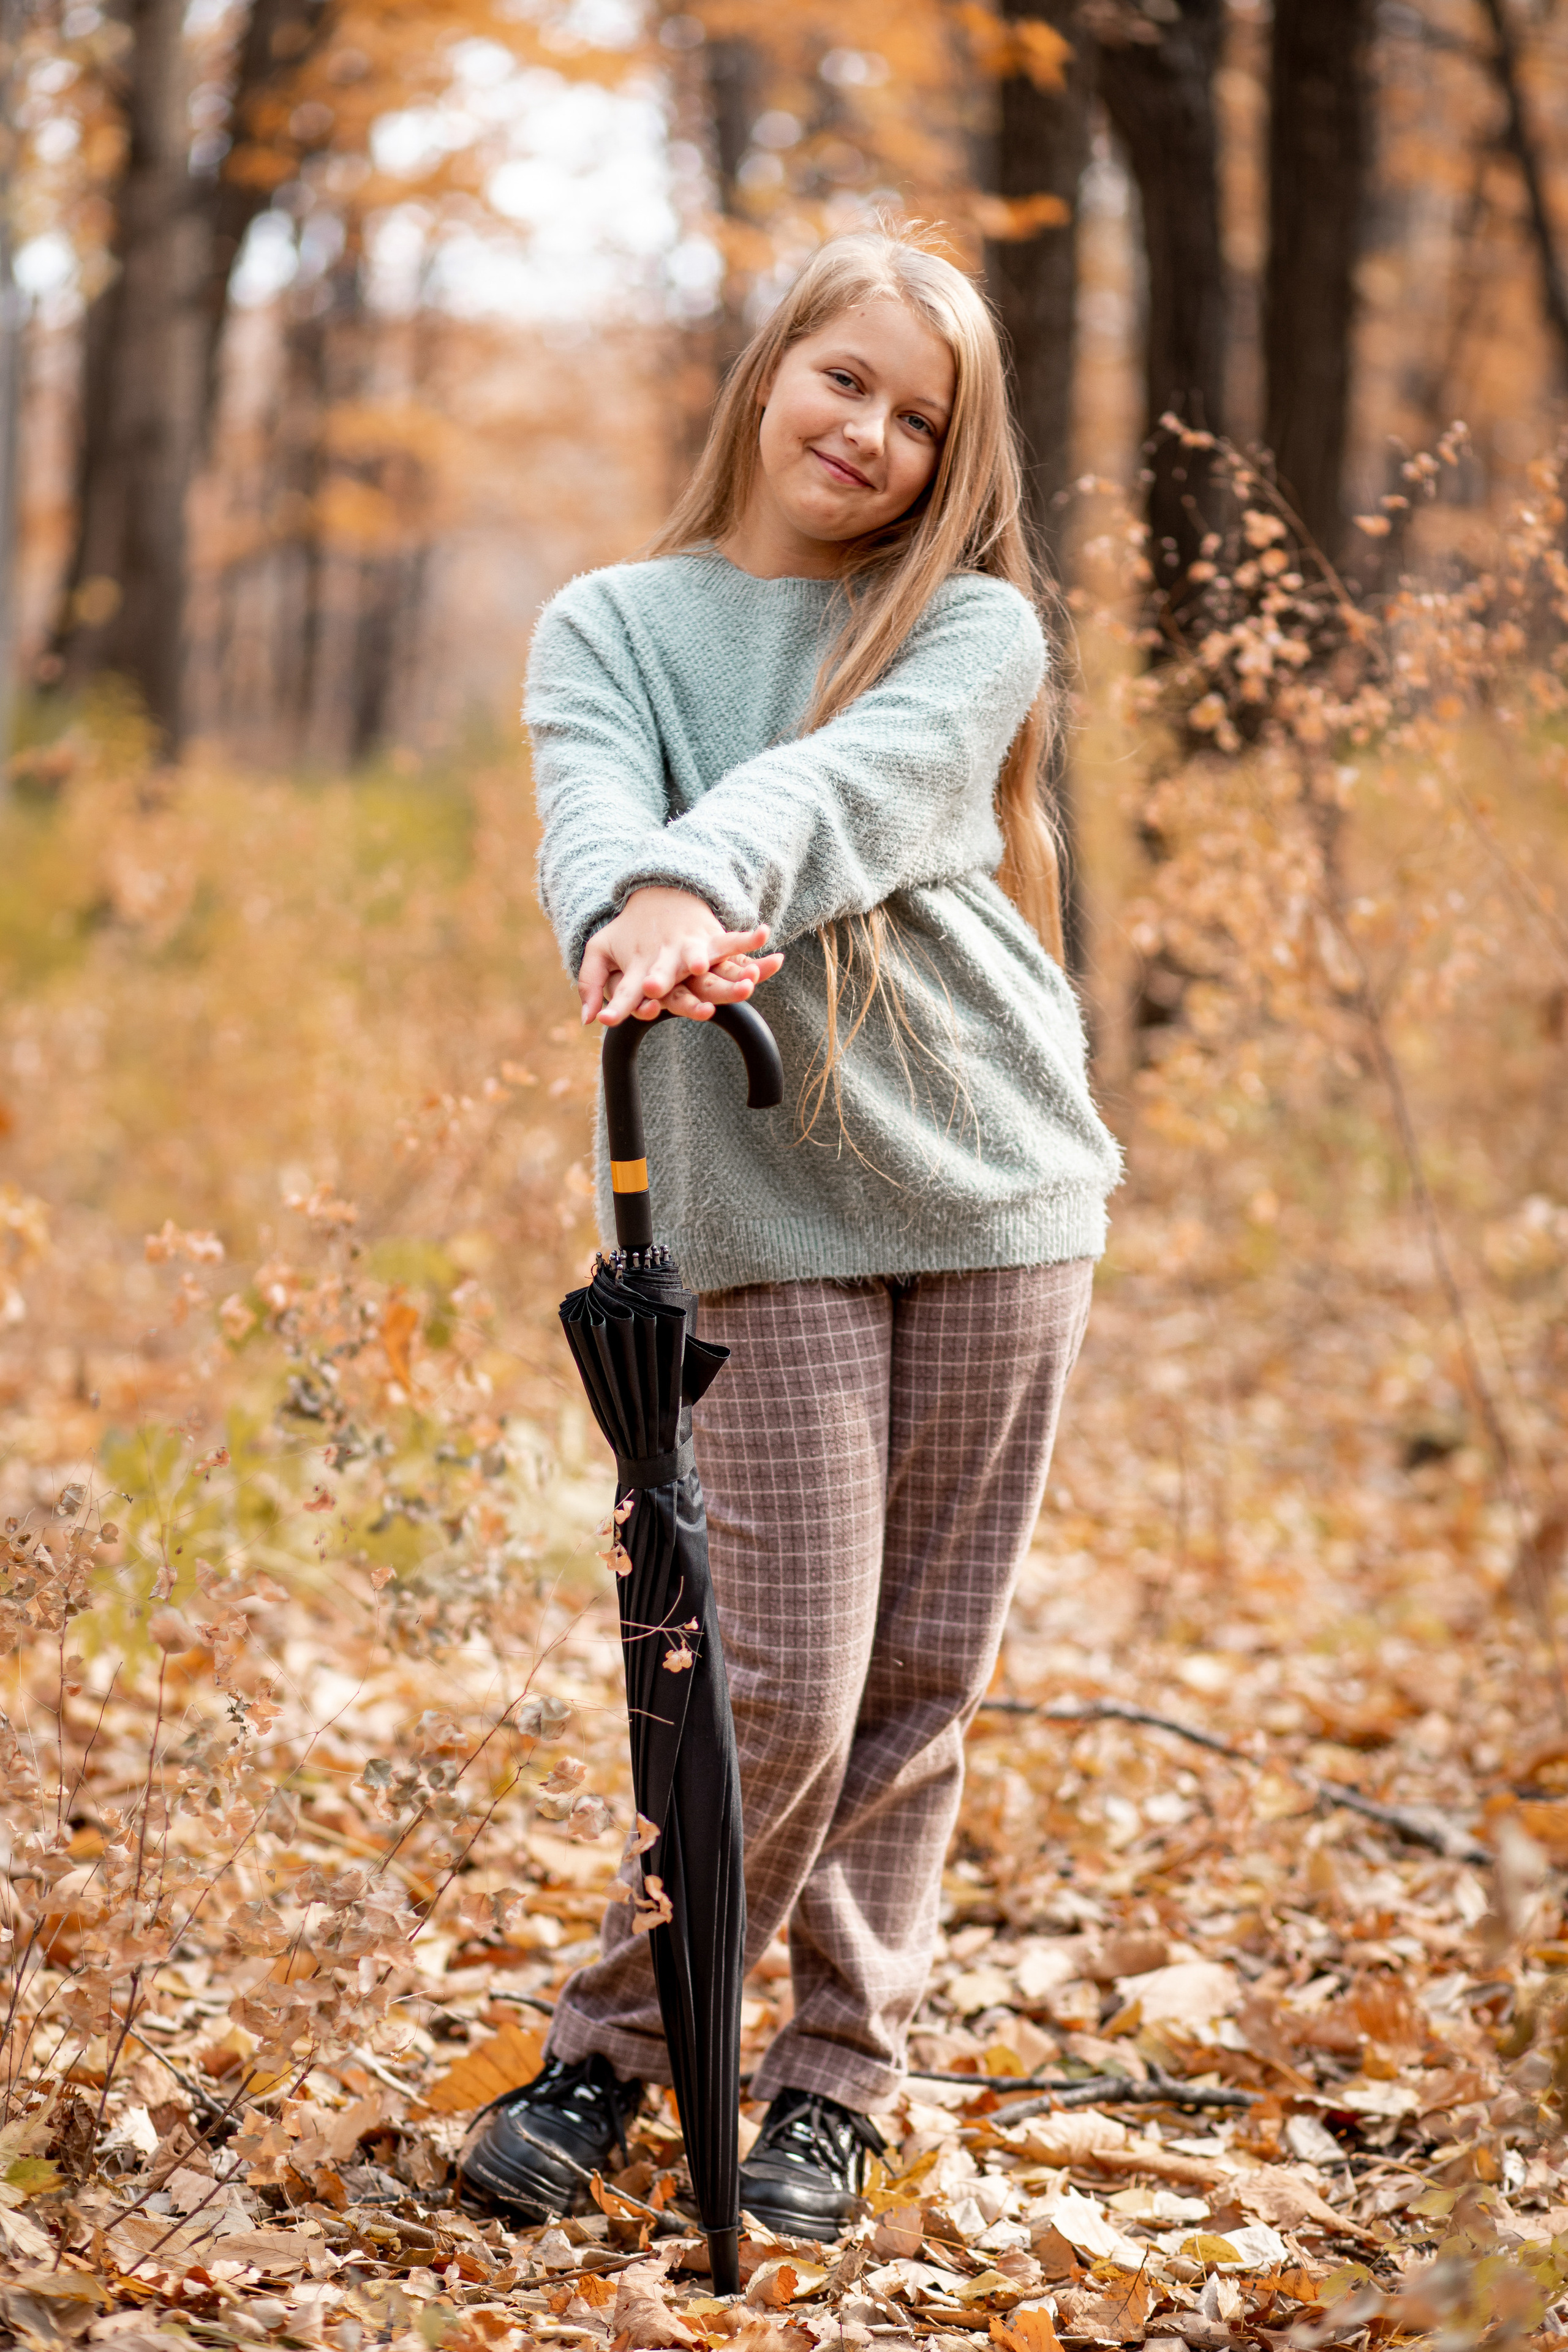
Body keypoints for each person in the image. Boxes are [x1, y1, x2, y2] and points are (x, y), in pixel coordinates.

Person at [459, 226, 1120, 2241]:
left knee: (924, 1671)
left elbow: (858, 789)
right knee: (764, 1682)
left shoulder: (969, 624)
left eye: (923, 420)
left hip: (998, 1180)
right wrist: (629, 906)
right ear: (770, 374)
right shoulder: (613, 624)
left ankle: (837, 2076)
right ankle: (621, 2045)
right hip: (753, 1203)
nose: (874, 434)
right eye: (848, 380)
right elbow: (591, 817)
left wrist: (698, 871)